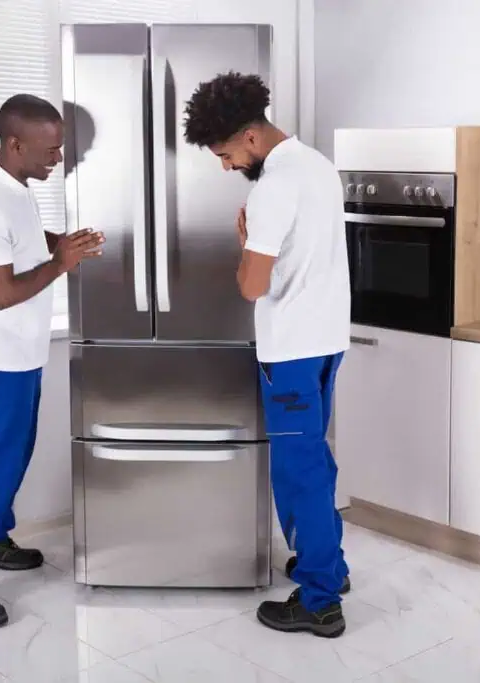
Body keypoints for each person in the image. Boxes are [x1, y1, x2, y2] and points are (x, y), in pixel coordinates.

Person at [183, 72, 352, 638]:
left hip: (292, 350)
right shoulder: (319, 166)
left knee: (299, 471)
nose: (226, 166)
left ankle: (320, 601)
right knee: (314, 460)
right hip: (326, 341)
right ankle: (328, 567)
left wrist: (244, 249)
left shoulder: (274, 186)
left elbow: (253, 286)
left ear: (251, 137)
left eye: (226, 154)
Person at [0, 94, 104, 629]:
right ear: (15, 144)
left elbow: (23, 246)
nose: (59, 157)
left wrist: (61, 242)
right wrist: (61, 263)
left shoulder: (17, 192)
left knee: (11, 455)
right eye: (50, 149)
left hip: (20, 355)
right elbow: (1, 293)